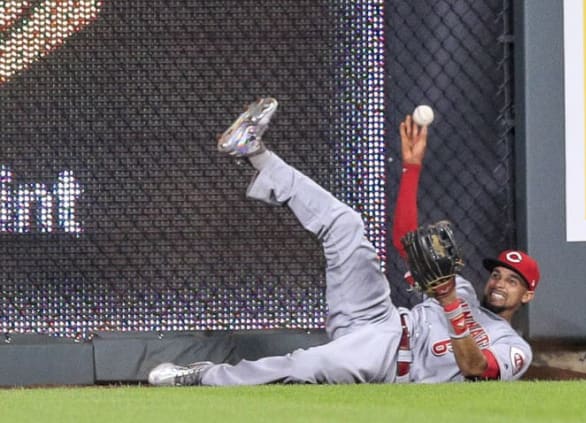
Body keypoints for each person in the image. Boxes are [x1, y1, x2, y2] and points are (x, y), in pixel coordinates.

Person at [148, 98, 540, 386]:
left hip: (387, 360)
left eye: (512, 280)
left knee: (304, 366)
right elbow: (408, 244)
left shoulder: (513, 348)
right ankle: (254, 152)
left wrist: (451, 304)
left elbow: (474, 367)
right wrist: (412, 168)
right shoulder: (464, 290)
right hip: (379, 318)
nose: (500, 283)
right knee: (345, 225)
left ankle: (203, 378)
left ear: (527, 295)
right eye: (499, 274)